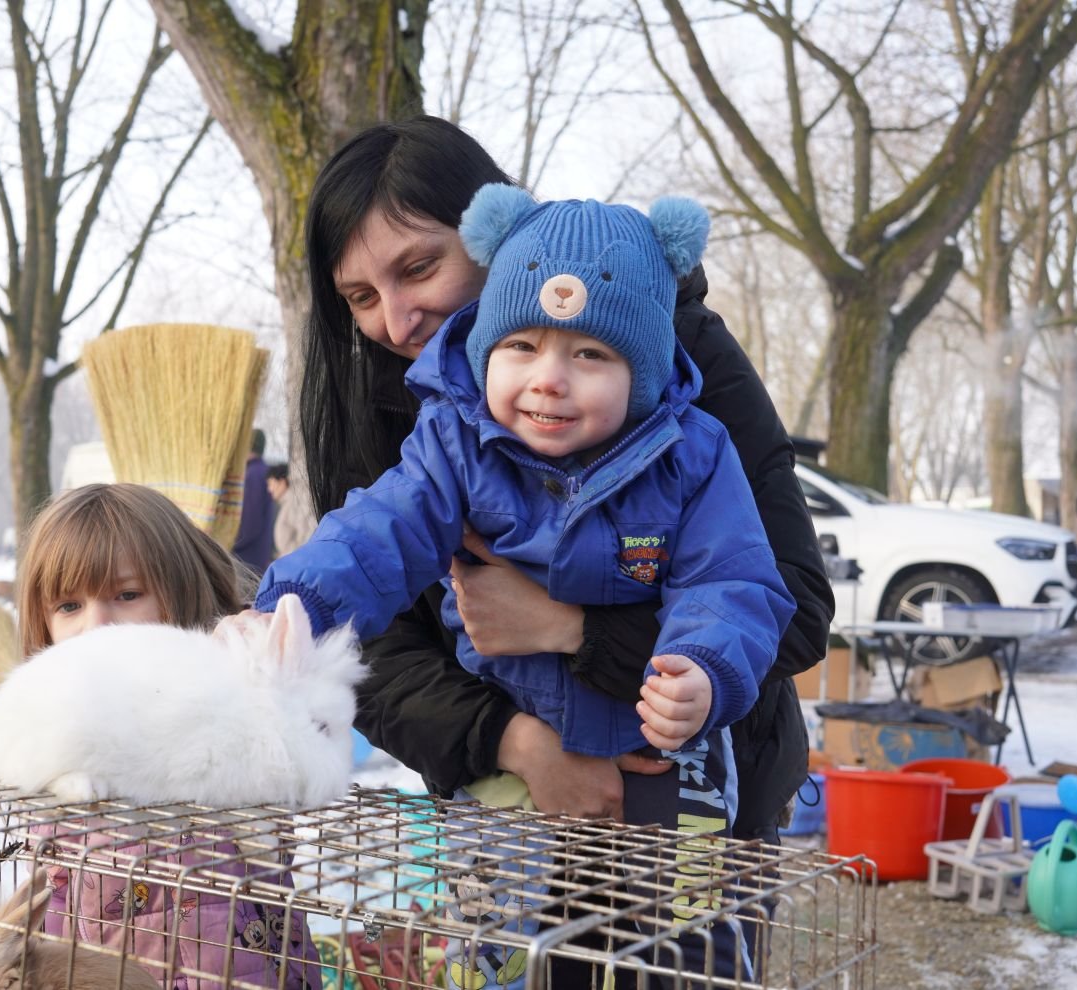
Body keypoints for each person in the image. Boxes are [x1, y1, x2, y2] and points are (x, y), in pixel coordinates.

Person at [255, 187, 795, 984]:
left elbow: (734, 580)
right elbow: (377, 534)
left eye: (590, 356)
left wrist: (702, 669)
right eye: (521, 347)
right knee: (507, 955)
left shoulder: (692, 452)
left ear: (641, 374)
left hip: (664, 754)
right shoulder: (455, 441)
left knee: (683, 944)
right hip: (513, 761)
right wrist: (295, 606)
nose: (549, 380)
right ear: (484, 351)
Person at [296, 116, 832, 843]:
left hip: (689, 783)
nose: (396, 320)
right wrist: (519, 746)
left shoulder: (677, 363)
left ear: (492, 238)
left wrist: (566, 627)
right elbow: (370, 641)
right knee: (514, 955)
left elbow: (786, 606)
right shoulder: (392, 410)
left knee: (686, 949)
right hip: (506, 791)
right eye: (359, 297)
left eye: (418, 268)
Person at [12, 483, 319, 988]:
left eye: (127, 595)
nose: (98, 626)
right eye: (69, 607)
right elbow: (53, 896)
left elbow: (282, 800)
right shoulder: (56, 749)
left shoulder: (226, 696)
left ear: (178, 595)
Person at [231, 428, 274, 574]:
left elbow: (250, 522)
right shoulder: (263, 470)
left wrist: (231, 543)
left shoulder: (252, 475)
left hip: (248, 558)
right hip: (259, 553)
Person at [267, 462, 317, 557]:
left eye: (270, 483)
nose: (269, 489)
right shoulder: (287, 502)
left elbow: (304, 537)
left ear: (282, 482)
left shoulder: (295, 503)